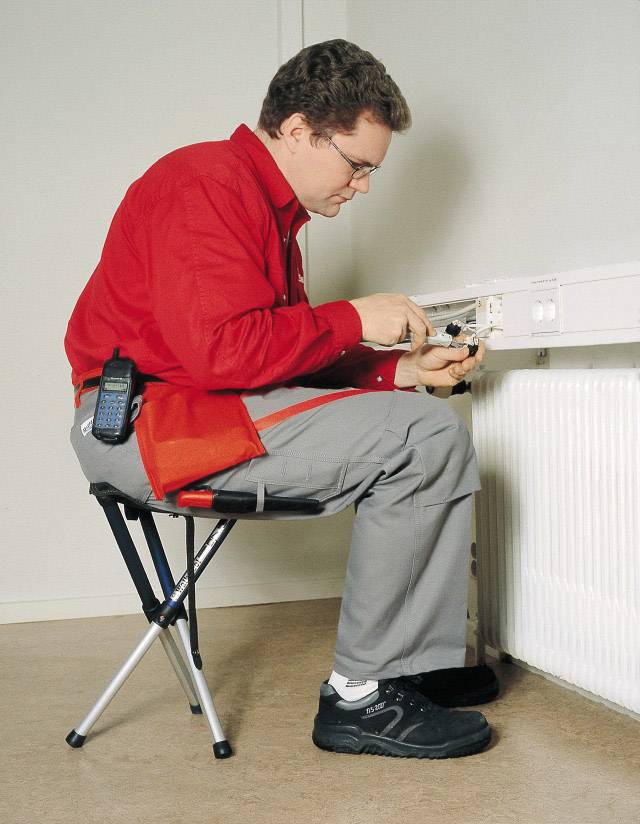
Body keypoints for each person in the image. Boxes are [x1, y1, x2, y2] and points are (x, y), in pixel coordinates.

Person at [65, 39, 498, 760]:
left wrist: (404, 373)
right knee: (423, 440)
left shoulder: (268, 216)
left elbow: (271, 356)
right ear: (297, 130)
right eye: (357, 165)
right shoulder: (203, 183)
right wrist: (356, 318)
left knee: (428, 423)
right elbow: (222, 353)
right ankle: (361, 699)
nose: (363, 187)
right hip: (146, 426)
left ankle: (407, 668)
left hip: (195, 410)